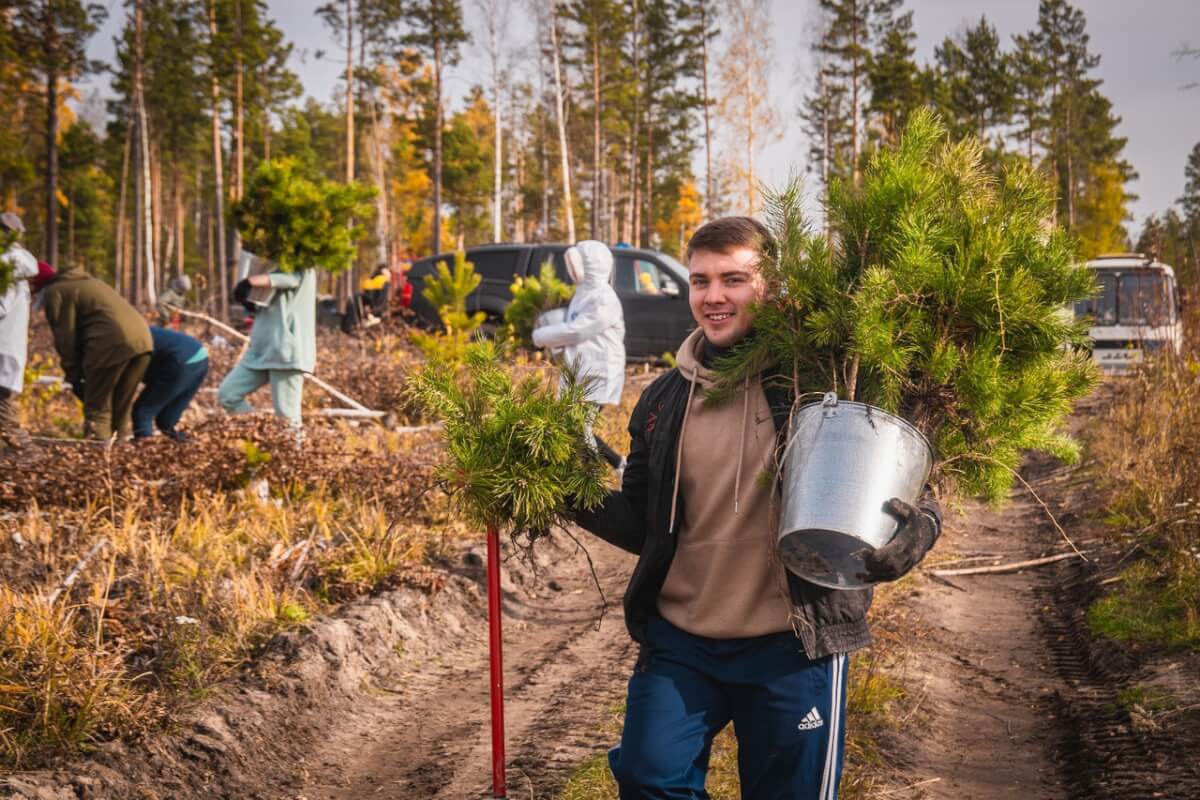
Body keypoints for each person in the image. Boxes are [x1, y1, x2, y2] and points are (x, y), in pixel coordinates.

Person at [571, 217, 942, 800]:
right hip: (683, 641)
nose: (713, 297)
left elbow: (905, 480)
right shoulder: (663, 401)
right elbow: (642, 522)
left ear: (769, 288)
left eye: (733, 279)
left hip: (791, 646)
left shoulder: (817, 386)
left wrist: (924, 526)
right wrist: (566, 491)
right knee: (649, 778)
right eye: (700, 281)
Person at [533, 240, 626, 471]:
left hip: (599, 371)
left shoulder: (604, 298)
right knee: (574, 427)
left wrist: (542, 335)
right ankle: (613, 466)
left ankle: (594, 479)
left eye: (576, 264)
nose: (572, 270)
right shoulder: (583, 294)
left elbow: (578, 330)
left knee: (579, 428)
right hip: (582, 370)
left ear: (591, 266)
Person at [37, 263, 153, 440]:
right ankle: (121, 460)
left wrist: (74, 377)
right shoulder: (88, 282)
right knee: (119, 408)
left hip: (109, 344)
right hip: (144, 342)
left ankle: (96, 462)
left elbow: (65, 338)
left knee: (97, 410)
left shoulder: (56, 291)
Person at [217, 258, 316, 427]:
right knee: (228, 394)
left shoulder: (304, 265)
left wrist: (249, 282)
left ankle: (291, 452)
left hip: (286, 353)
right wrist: (251, 300)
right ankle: (263, 440)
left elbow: (292, 278)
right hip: (260, 351)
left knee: (287, 417)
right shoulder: (273, 266)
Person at [0, 212, 39, 449]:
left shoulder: (7, 267)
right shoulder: (16, 266)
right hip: (8, 349)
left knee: (3, 412)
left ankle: (27, 453)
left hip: (2, 350)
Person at [132, 326, 209, 441]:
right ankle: (189, 449)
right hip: (201, 355)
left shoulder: (129, 342)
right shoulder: (139, 332)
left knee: (143, 411)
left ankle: (146, 452)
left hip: (181, 360)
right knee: (166, 421)